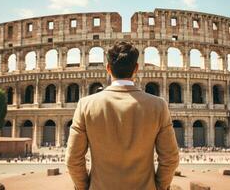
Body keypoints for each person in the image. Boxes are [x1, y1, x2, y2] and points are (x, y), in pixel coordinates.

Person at [65, 41, 179, 190]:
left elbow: (73, 160)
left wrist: (85, 187)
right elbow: (170, 159)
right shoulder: (158, 106)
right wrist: (158, 187)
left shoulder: (85, 105)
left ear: (108, 68)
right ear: (136, 69)